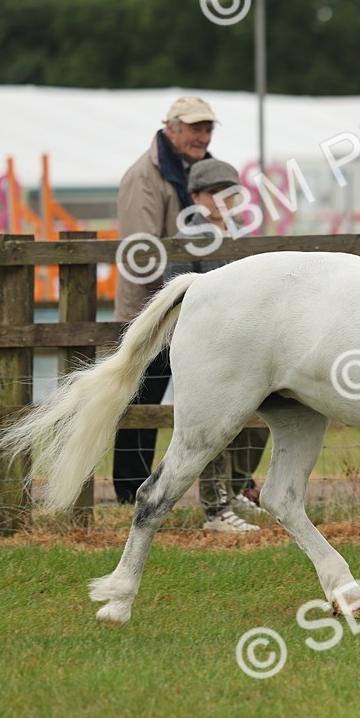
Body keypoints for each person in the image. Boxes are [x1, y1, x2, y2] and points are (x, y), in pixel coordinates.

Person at [111, 96, 217, 504]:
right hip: (153, 307)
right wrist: (181, 293)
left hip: (192, 303)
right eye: (195, 128)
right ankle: (129, 491)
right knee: (143, 400)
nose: (202, 135)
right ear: (171, 128)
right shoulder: (145, 176)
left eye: (207, 128)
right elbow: (143, 251)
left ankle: (223, 490)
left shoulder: (201, 170)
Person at [165, 158, 270, 532]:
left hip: (246, 345)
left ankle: (239, 486)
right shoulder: (187, 239)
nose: (224, 200)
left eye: (231, 192)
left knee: (259, 422)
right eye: (214, 192)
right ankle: (216, 508)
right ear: (195, 196)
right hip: (209, 345)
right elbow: (177, 291)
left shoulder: (242, 236)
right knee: (214, 427)